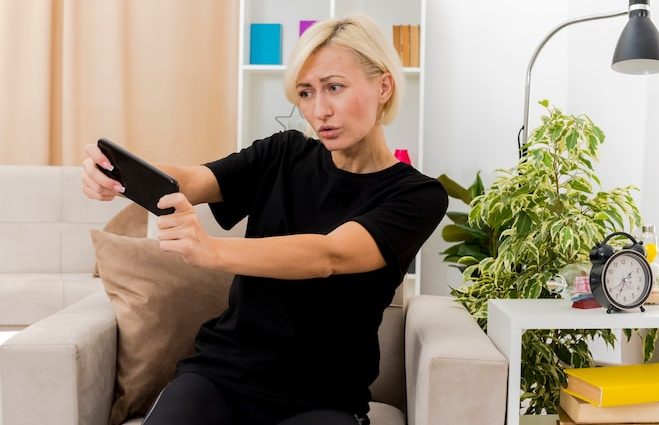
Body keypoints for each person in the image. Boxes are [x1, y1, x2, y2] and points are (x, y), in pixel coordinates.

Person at [81, 14, 447, 425]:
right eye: (306, 93)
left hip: (324, 396)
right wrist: (119, 174)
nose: (319, 110)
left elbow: (332, 254)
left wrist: (212, 251)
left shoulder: (417, 196)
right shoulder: (284, 153)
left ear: (383, 86)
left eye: (334, 87)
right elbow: (195, 180)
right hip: (221, 375)